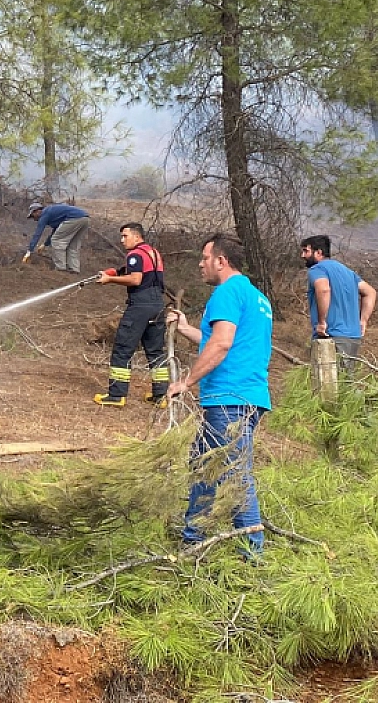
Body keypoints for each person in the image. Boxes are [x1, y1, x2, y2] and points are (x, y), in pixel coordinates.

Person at [165, 234, 273, 554]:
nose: (201, 264)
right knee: (203, 468)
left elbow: (222, 344)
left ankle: (251, 556)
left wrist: (187, 381)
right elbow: (222, 340)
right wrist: (187, 329)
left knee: (235, 475)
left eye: (205, 258)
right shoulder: (256, 296)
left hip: (230, 399)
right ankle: (194, 540)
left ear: (221, 262)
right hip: (247, 397)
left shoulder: (226, 292)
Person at [93, 223, 169, 407]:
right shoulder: (153, 252)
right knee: (156, 352)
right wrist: (114, 271)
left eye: (125, 236)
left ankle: (116, 395)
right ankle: (161, 396)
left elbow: (136, 279)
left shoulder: (134, 254)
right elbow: (138, 270)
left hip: (140, 306)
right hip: (158, 304)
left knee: (123, 348)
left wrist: (110, 279)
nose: (122, 240)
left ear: (137, 237)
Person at [300, 235, 377, 371]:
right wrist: (363, 321)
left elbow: (323, 290)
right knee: (346, 383)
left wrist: (322, 322)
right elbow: (370, 292)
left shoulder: (318, 269)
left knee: (327, 386)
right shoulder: (347, 272)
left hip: (331, 337)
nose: (302, 255)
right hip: (353, 338)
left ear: (318, 252)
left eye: (306, 251)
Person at [22, 202, 89, 273]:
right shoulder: (51, 212)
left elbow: (37, 234)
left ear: (37, 211)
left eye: (33, 216)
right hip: (85, 219)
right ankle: (74, 269)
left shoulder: (44, 214)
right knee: (72, 245)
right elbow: (56, 231)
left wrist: (29, 251)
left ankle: (60, 268)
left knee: (56, 241)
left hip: (73, 219)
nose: (34, 219)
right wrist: (45, 244)